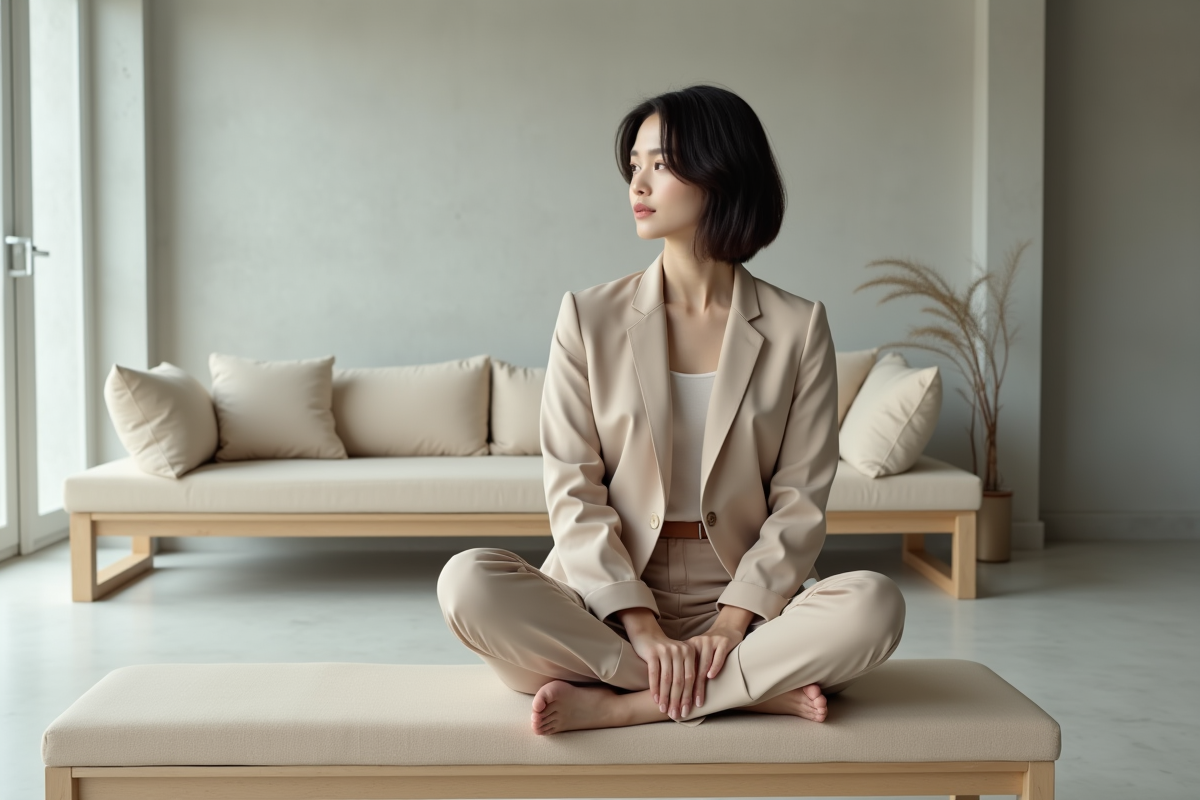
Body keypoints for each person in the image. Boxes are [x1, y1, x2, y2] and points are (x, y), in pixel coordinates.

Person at [437, 84, 905, 735]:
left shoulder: (800, 327)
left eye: (660, 163)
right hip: (604, 594)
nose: (639, 181)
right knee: (468, 584)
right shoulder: (588, 317)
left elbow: (800, 502)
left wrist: (734, 620)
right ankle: (747, 686)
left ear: (721, 171)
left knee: (875, 605)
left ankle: (629, 704)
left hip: (743, 592)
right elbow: (574, 491)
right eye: (634, 164)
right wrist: (641, 623)